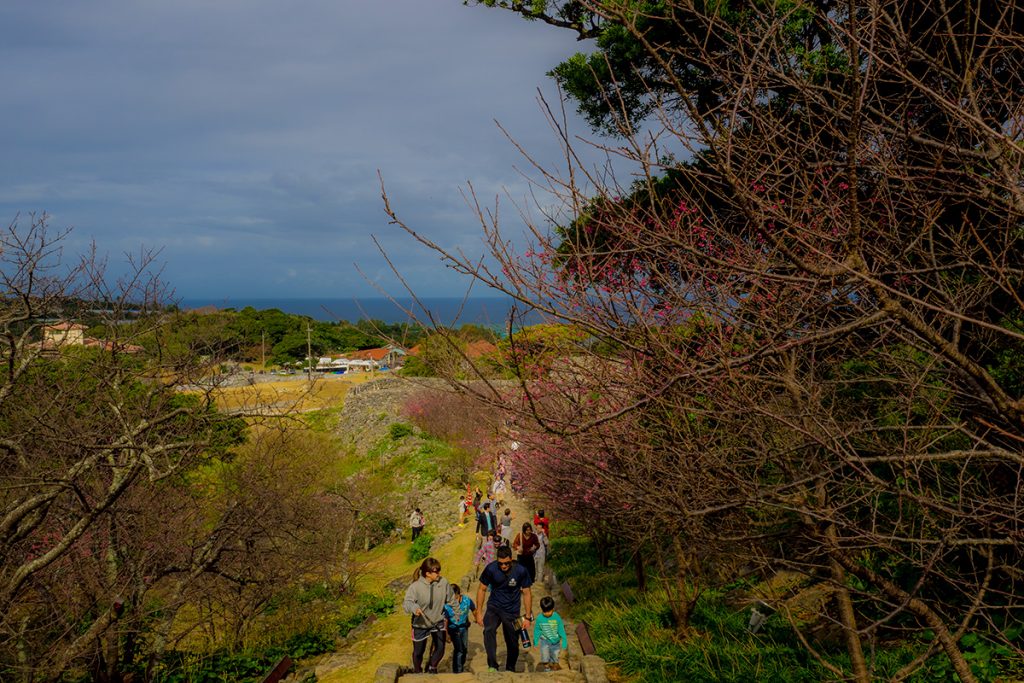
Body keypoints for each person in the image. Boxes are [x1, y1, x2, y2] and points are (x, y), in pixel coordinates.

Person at [477, 546, 533, 673]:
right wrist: (479, 613)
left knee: (513, 641)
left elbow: (527, 592)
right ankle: (492, 665)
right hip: (494, 607)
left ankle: (510, 667)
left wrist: (528, 617)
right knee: (488, 630)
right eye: (501, 563)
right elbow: (481, 589)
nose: (503, 566)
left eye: (507, 563)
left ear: (511, 559)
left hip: (512, 610)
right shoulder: (491, 568)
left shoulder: (521, 570)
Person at [402, 557, 452, 674]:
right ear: (427, 573)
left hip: (437, 621)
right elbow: (407, 603)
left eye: (439, 570)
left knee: (440, 648)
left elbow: (451, 599)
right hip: (420, 623)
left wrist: (457, 613)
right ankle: (418, 671)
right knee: (419, 651)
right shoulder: (415, 587)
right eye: (436, 571)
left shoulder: (443, 582)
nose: (439, 573)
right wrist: (414, 608)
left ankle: (432, 667)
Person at [443, 584, 477, 674]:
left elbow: (474, 609)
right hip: (453, 628)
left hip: (464, 628)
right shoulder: (447, 605)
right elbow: (445, 620)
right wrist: (446, 634)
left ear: (458, 594)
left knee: (464, 649)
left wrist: (477, 618)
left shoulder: (466, 600)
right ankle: (458, 671)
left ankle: (460, 665)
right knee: (459, 649)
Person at [533, 596, 568, 672]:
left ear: (553, 609)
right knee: (545, 657)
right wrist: (535, 641)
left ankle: (555, 666)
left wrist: (564, 641)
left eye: (549, 611)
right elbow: (537, 630)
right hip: (544, 641)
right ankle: (547, 669)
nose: (547, 614)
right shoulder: (539, 618)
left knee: (555, 657)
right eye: (544, 612)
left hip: (555, 641)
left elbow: (561, 629)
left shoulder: (557, 617)